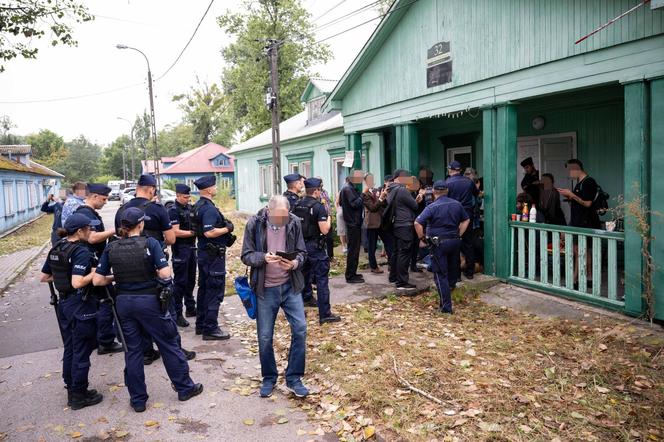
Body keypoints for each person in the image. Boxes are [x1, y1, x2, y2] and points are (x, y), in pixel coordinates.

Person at [93, 207, 203, 412]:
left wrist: (119, 276)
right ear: (141, 224)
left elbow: (98, 280)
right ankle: (184, 388)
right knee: (168, 344)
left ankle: (138, 400)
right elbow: (164, 274)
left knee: (133, 351)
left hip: (124, 303)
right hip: (149, 301)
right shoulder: (150, 243)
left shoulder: (112, 247)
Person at [241, 195, 309, 398]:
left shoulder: (294, 222)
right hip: (265, 289)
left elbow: (302, 253)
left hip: (290, 286)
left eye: (285, 215)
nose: (282, 219)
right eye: (278, 215)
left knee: (301, 329)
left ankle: (294, 378)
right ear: (268, 211)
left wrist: (295, 263)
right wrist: (263, 258)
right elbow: (246, 255)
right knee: (264, 337)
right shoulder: (254, 223)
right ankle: (269, 378)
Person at [40, 213, 104, 410]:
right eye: (89, 228)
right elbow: (78, 282)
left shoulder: (57, 247)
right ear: (79, 231)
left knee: (71, 347)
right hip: (80, 304)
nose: (91, 231)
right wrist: (93, 274)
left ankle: (70, 384)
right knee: (82, 349)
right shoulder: (81, 252)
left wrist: (64, 279)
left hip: (64, 305)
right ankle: (78, 394)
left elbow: (45, 276)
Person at [115, 175, 177, 364]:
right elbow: (171, 238)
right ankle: (173, 348)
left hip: (128, 267)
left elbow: (119, 237)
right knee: (165, 307)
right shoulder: (158, 209)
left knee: (136, 315)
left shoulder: (121, 211)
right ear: (150, 189)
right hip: (156, 267)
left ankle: (146, 352)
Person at [75, 184, 123, 355]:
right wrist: (114, 231)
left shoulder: (90, 213)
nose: (105, 202)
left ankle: (102, 338)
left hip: (95, 262)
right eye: (103, 199)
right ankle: (105, 341)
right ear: (94, 196)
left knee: (103, 301)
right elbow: (92, 238)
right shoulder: (84, 213)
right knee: (106, 302)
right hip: (92, 265)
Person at [414, 181, 470, 314]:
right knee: (452, 270)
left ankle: (446, 307)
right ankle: (449, 294)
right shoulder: (457, 204)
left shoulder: (432, 207)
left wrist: (422, 238)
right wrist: (459, 234)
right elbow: (466, 219)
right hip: (455, 241)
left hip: (438, 244)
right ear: (447, 191)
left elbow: (417, 223)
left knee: (440, 274)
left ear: (434, 192)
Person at [294, 178, 341, 324]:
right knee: (321, 280)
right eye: (320, 190)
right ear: (316, 191)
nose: (321, 192)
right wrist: (328, 217)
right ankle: (325, 314)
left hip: (300, 248)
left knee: (301, 279)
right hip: (315, 247)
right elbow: (325, 230)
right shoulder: (319, 207)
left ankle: (298, 311)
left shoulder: (296, 204)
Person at [192, 175, 233, 340]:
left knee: (203, 289)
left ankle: (201, 324)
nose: (216, 188)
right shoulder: (208, 208)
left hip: (203, 253)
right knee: (214, 290)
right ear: (208, 189)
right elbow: (209, 232)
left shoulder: (197, 206)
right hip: (213, 256)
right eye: (214, 186)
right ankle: (210, 328)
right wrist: (227, 229)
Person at [557, 159, 601, 287]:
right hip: (578, 222)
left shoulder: (588, 182)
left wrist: (572, 195)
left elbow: (587, 203)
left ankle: (577, 280)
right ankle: (587, 279)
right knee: (582, 251)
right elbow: (580, 201)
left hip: (585, 223)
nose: (568, 174)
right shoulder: (579, 183)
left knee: (580, 251)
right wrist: (569, 196)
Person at [168, 184, 197, 327]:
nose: (187, 199)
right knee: (180, 282)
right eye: (185, 197)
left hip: (192, 248)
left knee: (191, 280)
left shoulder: (189, 208)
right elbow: (175, 232)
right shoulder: (173, 211)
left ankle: (190, 308)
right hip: (181, 249)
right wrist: (193, 233)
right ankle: (178, 313)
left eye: (188, 197)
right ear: (178, 195)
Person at [386, 169, 420, 290]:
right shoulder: (402, 190)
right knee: (404, 253)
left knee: (396, 252)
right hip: (404, 225)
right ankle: (402, 282)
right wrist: (417, 200)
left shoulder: (390, 189)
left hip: (395, 225)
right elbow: (414, 206)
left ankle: (393, 276)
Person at [446, 161, 479, 280]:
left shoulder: (448, 183)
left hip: (453, 215)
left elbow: (445, 199)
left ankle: (457, 275)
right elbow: (477, 193)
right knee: (468, 243)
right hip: (467, 215)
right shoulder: (469, 182)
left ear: (450, 170)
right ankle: (470, 272)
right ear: (460, 170)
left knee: (455, 243)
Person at [339, 171, 365, 284]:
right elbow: (355, 204)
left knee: (354, 249)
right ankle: (350, 276)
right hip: (352, 223)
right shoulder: (348, 189)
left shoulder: (349, 188)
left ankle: (353, 273)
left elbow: (341, 202)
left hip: (354, 222)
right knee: (353, 250)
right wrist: (363, 194)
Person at [361, 173, 388, 274]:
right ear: (365, 181)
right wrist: (380, 198)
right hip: (372, 223)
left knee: (388, 242)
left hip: (381, 222)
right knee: (372, 247)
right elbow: (372, 208)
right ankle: (373, 266)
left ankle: (392, 264)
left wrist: (384, 197)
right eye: (369, 179)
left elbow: (383, 205)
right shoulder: (364, 194)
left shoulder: (377, 191)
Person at [318, 179, 335, 259]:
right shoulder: (316, 193)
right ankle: (323, 255)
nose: (321, 184)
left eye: (322, 182)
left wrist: (331, 214)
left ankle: (330, 255)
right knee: (323, 237)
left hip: (328, 216)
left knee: (330, 238)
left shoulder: (325, 192)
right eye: (320, 182)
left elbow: (329, 203)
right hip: (321, 218)